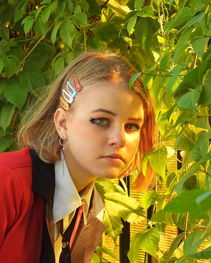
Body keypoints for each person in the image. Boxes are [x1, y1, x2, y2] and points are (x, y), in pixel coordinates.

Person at [0, 52, 156, 263]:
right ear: (62, 124)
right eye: (101, 121)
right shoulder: (7, 182)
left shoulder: (91, 207)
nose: (119, 139)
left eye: (132, 126)